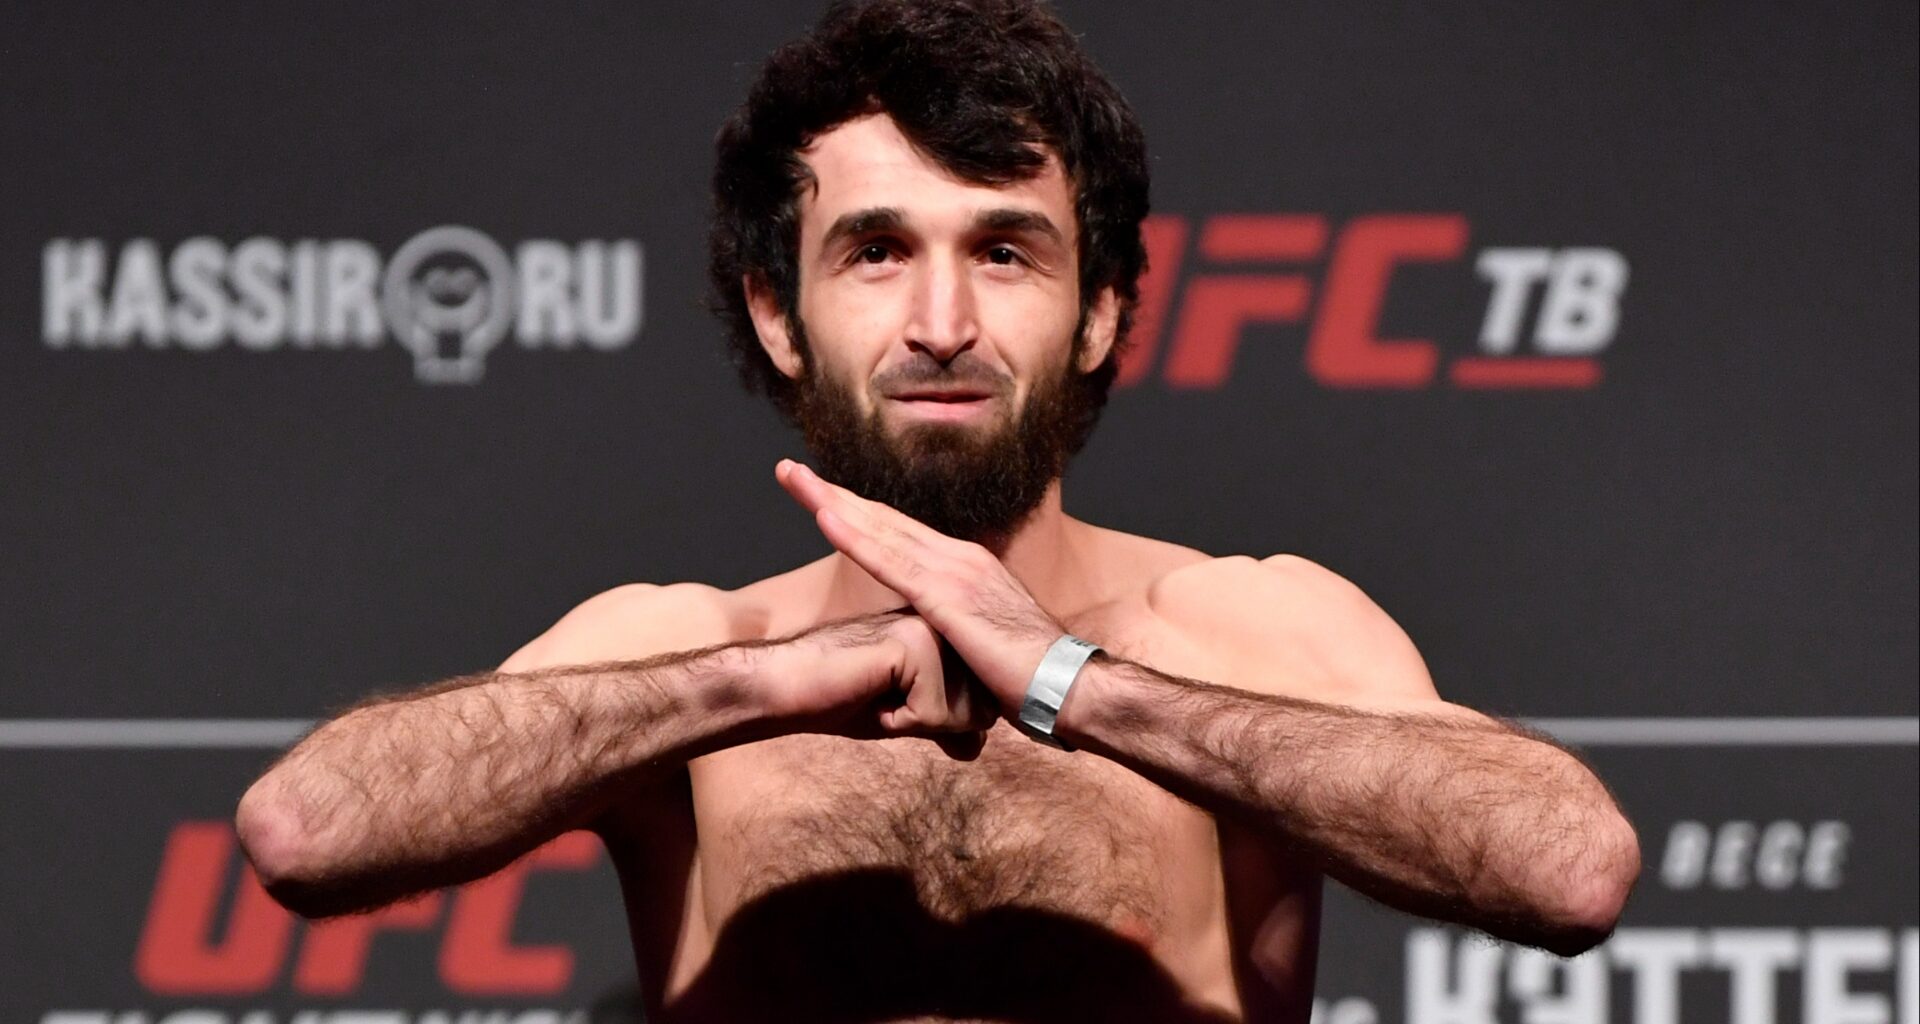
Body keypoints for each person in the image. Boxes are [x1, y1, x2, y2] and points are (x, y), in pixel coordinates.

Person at [234, 1, 1640, 1020]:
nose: (943, 322)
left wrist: (1074, 683)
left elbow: (1570, 869)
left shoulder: (1231, 631)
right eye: (876, 251)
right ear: (778, 315)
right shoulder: (701, 651)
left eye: (1007, 251)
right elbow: (307, 829)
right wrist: (760, 686)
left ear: (1101, 313)